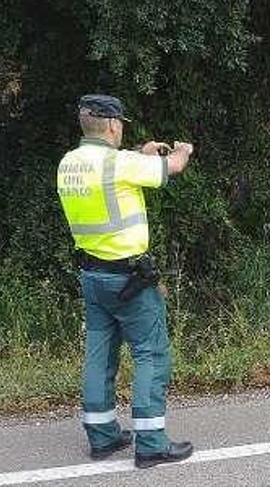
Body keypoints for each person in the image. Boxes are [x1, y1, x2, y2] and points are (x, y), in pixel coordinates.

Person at [56, 94, 194, 469]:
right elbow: (173, 167)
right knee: (151, 354)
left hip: (91, 276)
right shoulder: (120, 164)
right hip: (129, 280)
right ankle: (150, 444)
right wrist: (182, 149)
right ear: (114, 125)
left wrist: (141, 152)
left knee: (99, 354)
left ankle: (102, 437)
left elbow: (113, 173)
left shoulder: (69, 163)